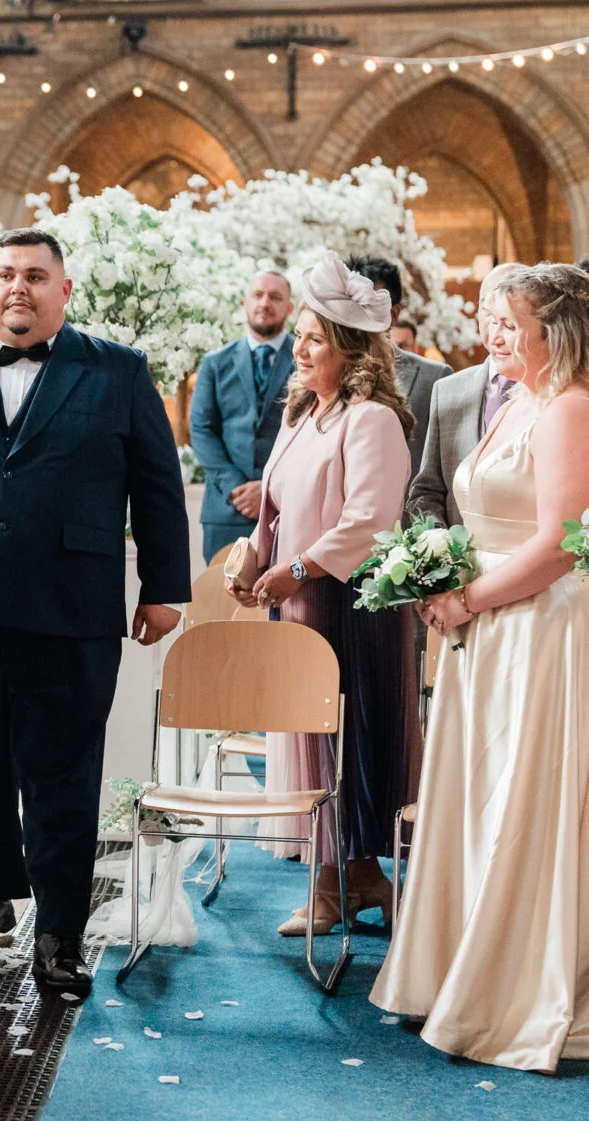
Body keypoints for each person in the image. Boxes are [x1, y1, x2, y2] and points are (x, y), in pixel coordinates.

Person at [0, 229, 191, 999]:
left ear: (65, 291)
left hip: (72, 603)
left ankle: (60, 931)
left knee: (63, 771)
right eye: (5, 274)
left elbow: (156, 484)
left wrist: (164, 587)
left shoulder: (119, 370)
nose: (18, 287)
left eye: (35, 275)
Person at [372, 263, 589, 1073]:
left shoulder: (570, 406)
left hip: (538, 627)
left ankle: (519, 988)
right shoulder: (521, 401)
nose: (491, 332)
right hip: (490, 630)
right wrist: (439, 579)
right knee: (478, 798)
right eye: (486, 318)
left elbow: (562, 543)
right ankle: (466, 968)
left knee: (519, 802)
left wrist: (467, 599)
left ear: (553, 331)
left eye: (507, 321)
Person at [227, 254, 421, 934]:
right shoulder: (303, 415)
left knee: (350, 742)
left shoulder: (371, 420)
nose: (299, 350)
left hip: (350, 603)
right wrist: (250, 560)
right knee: (309, 739)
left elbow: (368, 521)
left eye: (314, 338)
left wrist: (300, 570)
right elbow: (272, 509)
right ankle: (352, 881)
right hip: (299, 603)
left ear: (349, 349)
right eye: (300, 336)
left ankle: (346, 883)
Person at [189, 270, 296, 564]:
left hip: (288, 510)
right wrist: (236, 486)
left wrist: (270, 487)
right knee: (221, 604)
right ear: (244, 302)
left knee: (284, 609)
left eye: (275, 297)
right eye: (257, 295)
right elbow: (201, 428)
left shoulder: (307, 361)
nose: (265, 303)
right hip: (226, 511)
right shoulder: (214, 363)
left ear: (289, 308)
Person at [408, 262, 525, 526]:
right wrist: (440, 547)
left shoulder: (550, 395)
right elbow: (426, 490)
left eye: (509, 312)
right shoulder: (448, 389)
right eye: (488, 309)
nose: (496, 324)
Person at [348, 257, 453, 476]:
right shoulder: (322, 371)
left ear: (393, 314)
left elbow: (445, 463)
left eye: (367, 305)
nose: (355, 316)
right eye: (350, 305)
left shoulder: (435, 378)